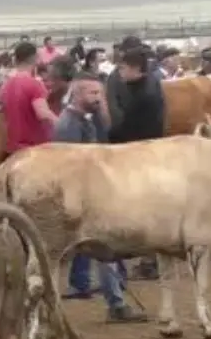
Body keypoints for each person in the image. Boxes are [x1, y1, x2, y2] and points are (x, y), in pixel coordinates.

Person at [52, 75, 145, 324]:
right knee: (104, 250)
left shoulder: (83, 120)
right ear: (77, 94)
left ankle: (114, 302)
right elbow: (71, 167)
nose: (98, 98)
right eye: (92, 93)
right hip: (86, 199)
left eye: (100, 93)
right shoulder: (69, 126)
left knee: (104, 252)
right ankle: (114, 304)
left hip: (92, 197)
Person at [106, 44, 166, 280]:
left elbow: (126, 127)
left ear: (134, 68)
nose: (119, 73)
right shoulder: (151, 84)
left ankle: (150, 261)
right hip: (150, 153)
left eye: (122, 68)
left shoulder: (142, 94)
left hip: (139, 157)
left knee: (144, 211)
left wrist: (106, 139)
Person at [0, 41, 60, 158]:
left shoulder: (5, 86)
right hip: (32, 151)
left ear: (15, 60)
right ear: (36, 58)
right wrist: (61, 123)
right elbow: (43, 114)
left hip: (11, 150)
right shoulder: (34, 84)